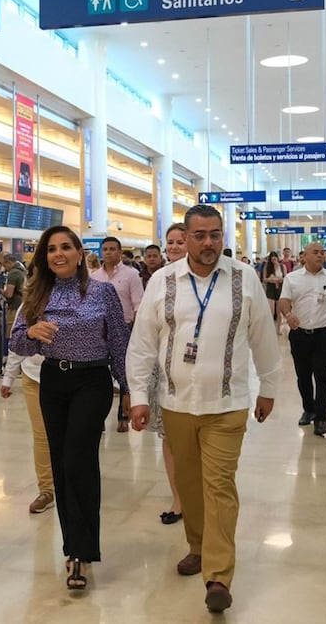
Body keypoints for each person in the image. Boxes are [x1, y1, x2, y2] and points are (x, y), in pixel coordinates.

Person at [127, 205, 279, 613]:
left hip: (227, 403)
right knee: (190, 487)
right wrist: (138, 396)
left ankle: (218, 575)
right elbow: (142, 344)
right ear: (185, 237)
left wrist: (269, 386)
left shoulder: (244, 279)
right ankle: (197, 545)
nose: (208, 243)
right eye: (200, 235)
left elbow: (264, 336)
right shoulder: (162, 282)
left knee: (219, 486)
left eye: (215, 234)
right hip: (176, 402)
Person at [10, 226, 130, 591]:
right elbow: (16, 341)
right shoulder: (36, 293)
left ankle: (83, 547)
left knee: (78, 459)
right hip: (54, 382)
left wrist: (128, 391)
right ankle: (74, 550)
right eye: (51, 249)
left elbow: (120, 345)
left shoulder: (103, 292)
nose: (58, 254)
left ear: (80, 253)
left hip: (92, 383)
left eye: (65, 247)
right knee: (62, 464)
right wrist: (32, 334)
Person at [279, 241, 326, 436]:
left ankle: (321, 419)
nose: (319, 256)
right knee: (303, 376)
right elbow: (284, 300)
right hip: (300, 334)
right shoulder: (292, 278)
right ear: (304, 257)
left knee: (323, 377)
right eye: (315, 252)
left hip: (324, 334)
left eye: (322, 253)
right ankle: (309, 409)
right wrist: (288, 315)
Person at [147, 223, 188, 525]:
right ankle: (178, 498)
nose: (174, 247)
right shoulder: (158, 280)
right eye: (170, 242)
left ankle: (197, 493)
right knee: (168, 435)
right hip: (163, 368)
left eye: (180, 242)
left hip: (198, 372)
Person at [0, 307, 53, 514]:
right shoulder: (31, 302)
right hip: (34, 376)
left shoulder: (84, 294)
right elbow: (17, 341)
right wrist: (9, 377)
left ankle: (73, 484)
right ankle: (46, 489)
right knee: (41, 435)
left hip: (71, 376)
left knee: (71, 435)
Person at [90, 236, 143, 433]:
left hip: (124, 328)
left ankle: (123, 415)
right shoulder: (95, 277)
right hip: (99, 330)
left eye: (113, 249)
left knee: (123, 371)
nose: (108, 252)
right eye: (105, 249)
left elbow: (138, 304)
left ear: (120, 252)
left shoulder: (131, 275)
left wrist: (136, 332)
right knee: (101, 372)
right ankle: (99, 416)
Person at [0, 252, 27, 333]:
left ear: (9, 262)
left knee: (11, 332)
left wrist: (1, 291)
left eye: (5, 265)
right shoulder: (23, 271)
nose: (4, 268)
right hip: (23, 305)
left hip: (14, 307)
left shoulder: (13, 273)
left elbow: (9, 293)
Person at [260, 251, 285, 334]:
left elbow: (285, 277)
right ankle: (270, 329)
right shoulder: (267, 267)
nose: (274, 260)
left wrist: (279, 279)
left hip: (280, 289)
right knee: (271, 311)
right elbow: (264, 279)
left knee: (279, 311)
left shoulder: (282, 266)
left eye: (275, 258)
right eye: (272, 258)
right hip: (270, 289)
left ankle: (278, 329)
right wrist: (271, 279)